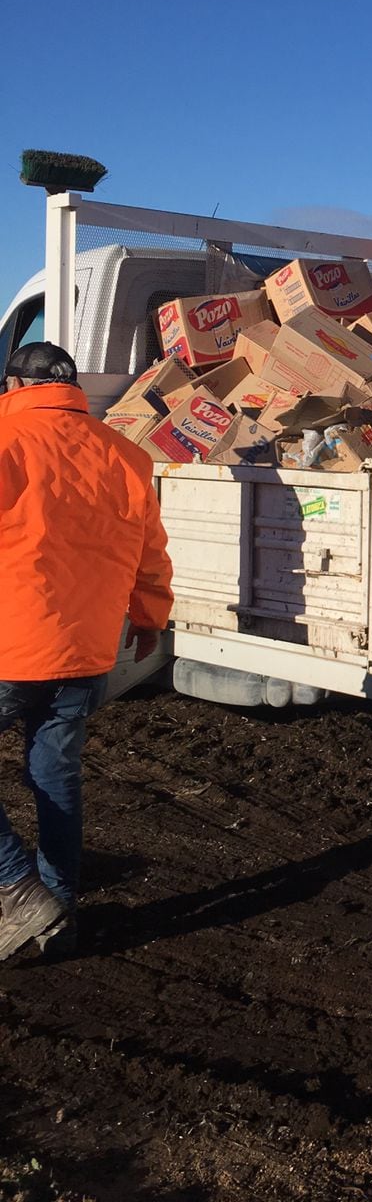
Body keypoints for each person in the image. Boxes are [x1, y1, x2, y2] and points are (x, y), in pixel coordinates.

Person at [0, 342, 173, 961]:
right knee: (55, 777)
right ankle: (57, 921)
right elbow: (150, 551)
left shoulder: (6, 440)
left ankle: (17, 892)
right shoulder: (126, 455)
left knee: (53, 778)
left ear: (13, 384)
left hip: (10, 648)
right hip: (87, 650)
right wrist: (150, 619)